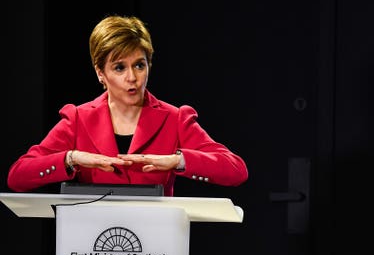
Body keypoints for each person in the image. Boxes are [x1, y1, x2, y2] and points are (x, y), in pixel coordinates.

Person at [7, 15, 248, 196]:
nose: (132, 77)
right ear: (100, 73)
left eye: (139, 65)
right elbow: (18, 176)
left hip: (154, 251)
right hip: (93, 251)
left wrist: (178, 160)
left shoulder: (174, 118)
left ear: (149, 66)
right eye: (120, 68)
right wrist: (72, 158)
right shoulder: (78, 119)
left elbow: (236, 170)